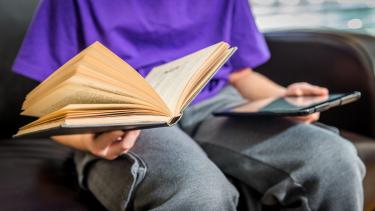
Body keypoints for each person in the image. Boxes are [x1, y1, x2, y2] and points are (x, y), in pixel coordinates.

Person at [13, 0, 365, 210]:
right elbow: (51, 106)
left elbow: (240, 74)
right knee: (198, 191)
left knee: (332, 157)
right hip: (129, 116)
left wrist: (285, 97)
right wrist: (91, 140)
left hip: (213, 103)